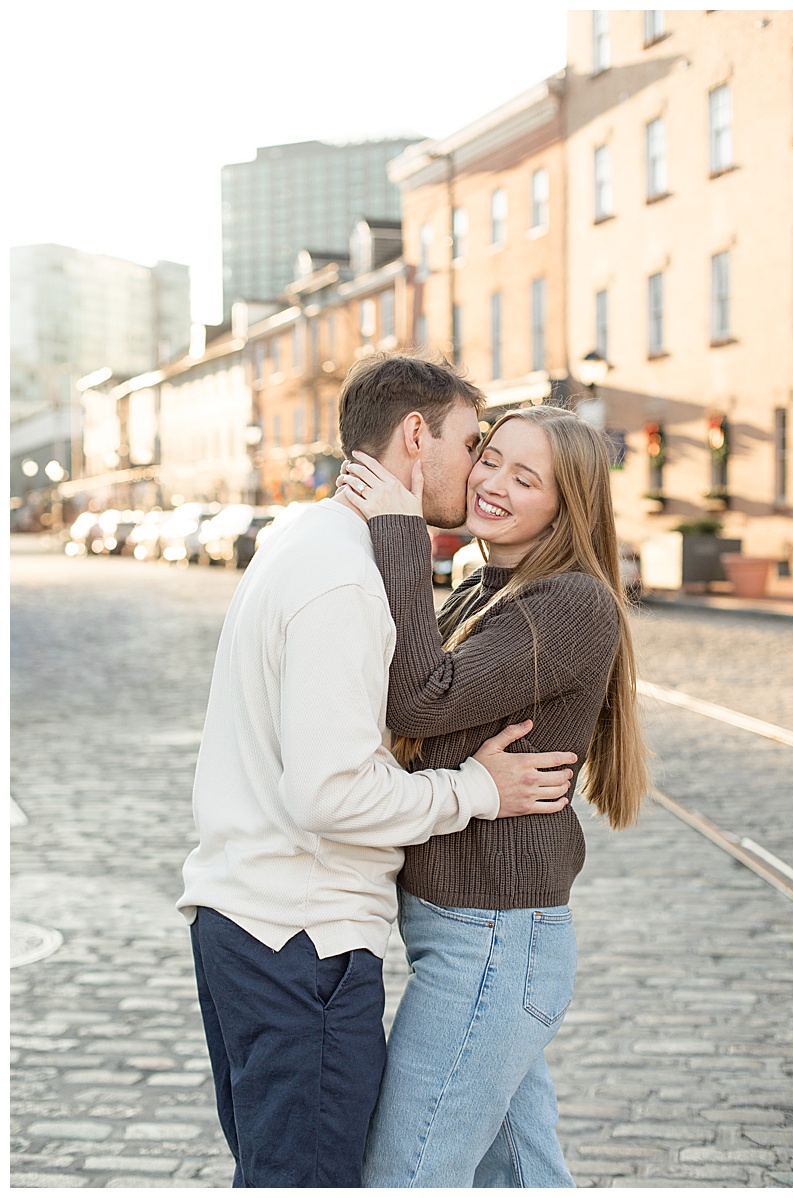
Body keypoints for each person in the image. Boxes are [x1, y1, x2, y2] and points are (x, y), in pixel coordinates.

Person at [177, 352, 579, 1188]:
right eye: (476, 445)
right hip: (301, 938)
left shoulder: (304, 544)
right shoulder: (346, 580)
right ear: (414, 435)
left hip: (255, 922)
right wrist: (475, 790)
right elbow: (330, 793)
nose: (478, 473)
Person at [335, 402, 649, 1187]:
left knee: (406, 1178)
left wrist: (401, 531)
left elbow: (420, 700)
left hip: (493, 944)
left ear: (566, 504)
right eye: (491, 457)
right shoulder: (487, 590)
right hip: (470, 937)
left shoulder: (571, 604)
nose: (493, 482)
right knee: (521, 1177)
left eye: (526, 475)